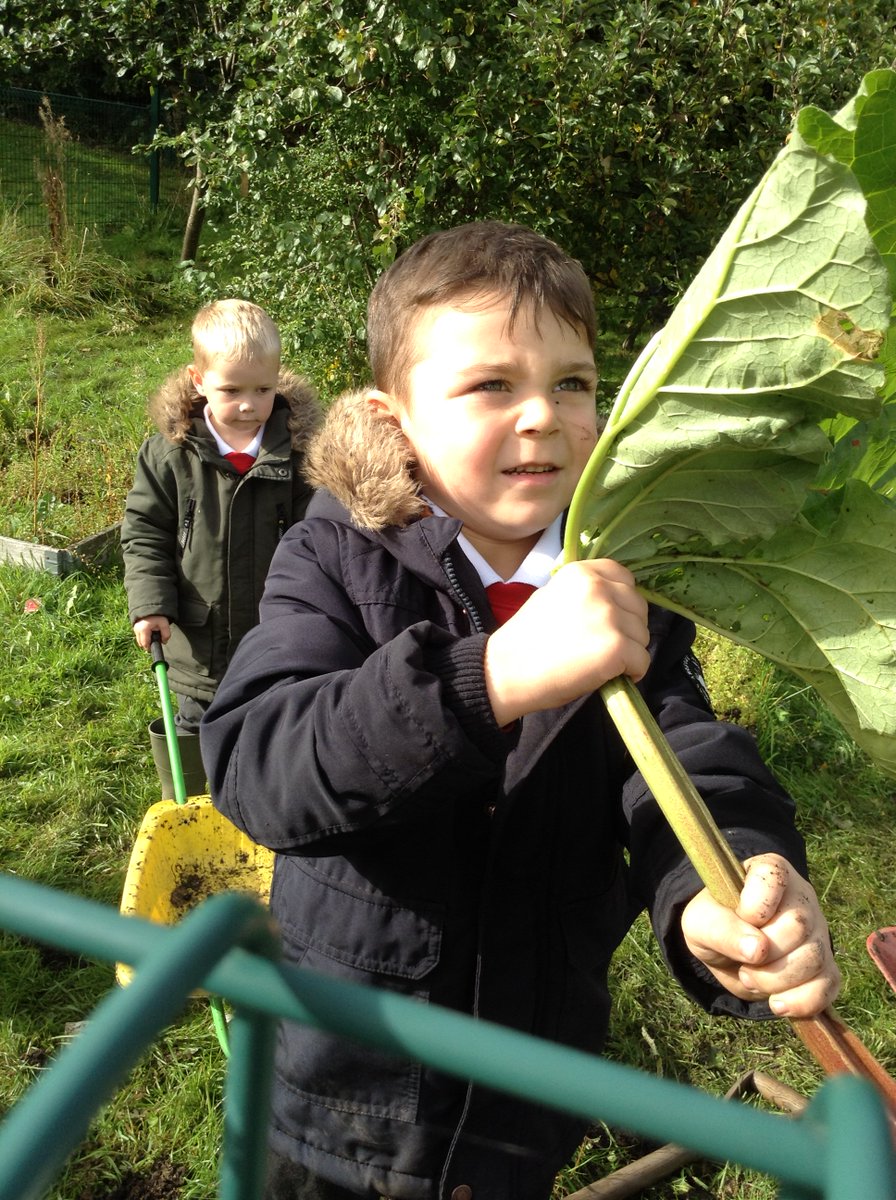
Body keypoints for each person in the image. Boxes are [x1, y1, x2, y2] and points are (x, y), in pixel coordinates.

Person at [199, 223, 840, 1200]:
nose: (542, 415)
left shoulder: (627, 588)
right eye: (491, 385)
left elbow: (684, 749)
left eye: (572, 382)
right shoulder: (335, 556)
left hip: (525, 1086)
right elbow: (255, 761)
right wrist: (484, 678)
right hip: (341, 1090)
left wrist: (731, 879)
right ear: (393, 417)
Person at [121, 298, 321, 764]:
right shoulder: (170, 455)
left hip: (275, 632)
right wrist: (151, 606)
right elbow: (145, 531)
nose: (249, 404)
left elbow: (317, 538)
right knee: (194, 728)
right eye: (231, 390)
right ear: (199, 380)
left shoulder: (299, 456)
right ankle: (192, 806)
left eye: (263, 389)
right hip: (199, 640)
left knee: (273, 730)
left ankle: (265, 804)